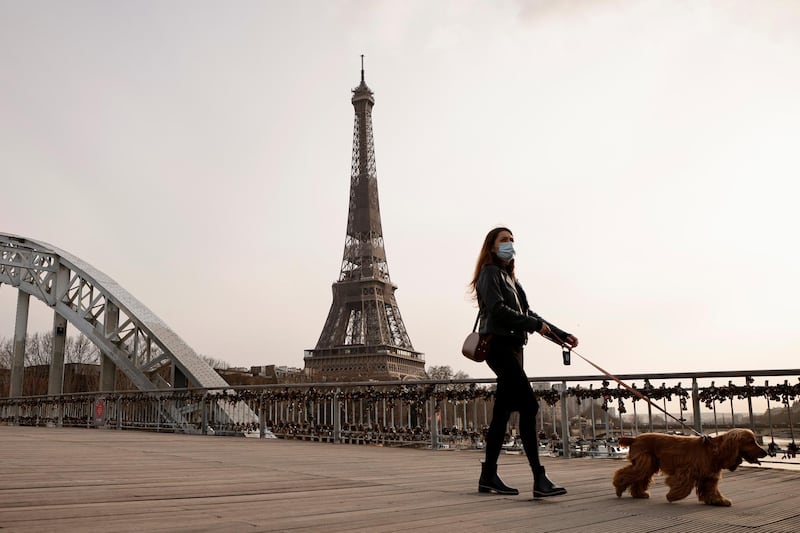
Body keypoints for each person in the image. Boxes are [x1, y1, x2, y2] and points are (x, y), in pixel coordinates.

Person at [470, 226, 578, 498]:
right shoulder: (490, 273)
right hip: (500, 347)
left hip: (514, 347)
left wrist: (560, 335)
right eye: (504, 240)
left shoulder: (510, 279)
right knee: (529, 407)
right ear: (491, 247)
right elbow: (497, 310)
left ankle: (488, 476)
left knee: (502, 414)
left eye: (512, 241)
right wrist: (534, 324)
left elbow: (529, 314)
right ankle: (539, 479)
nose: (509, 244)